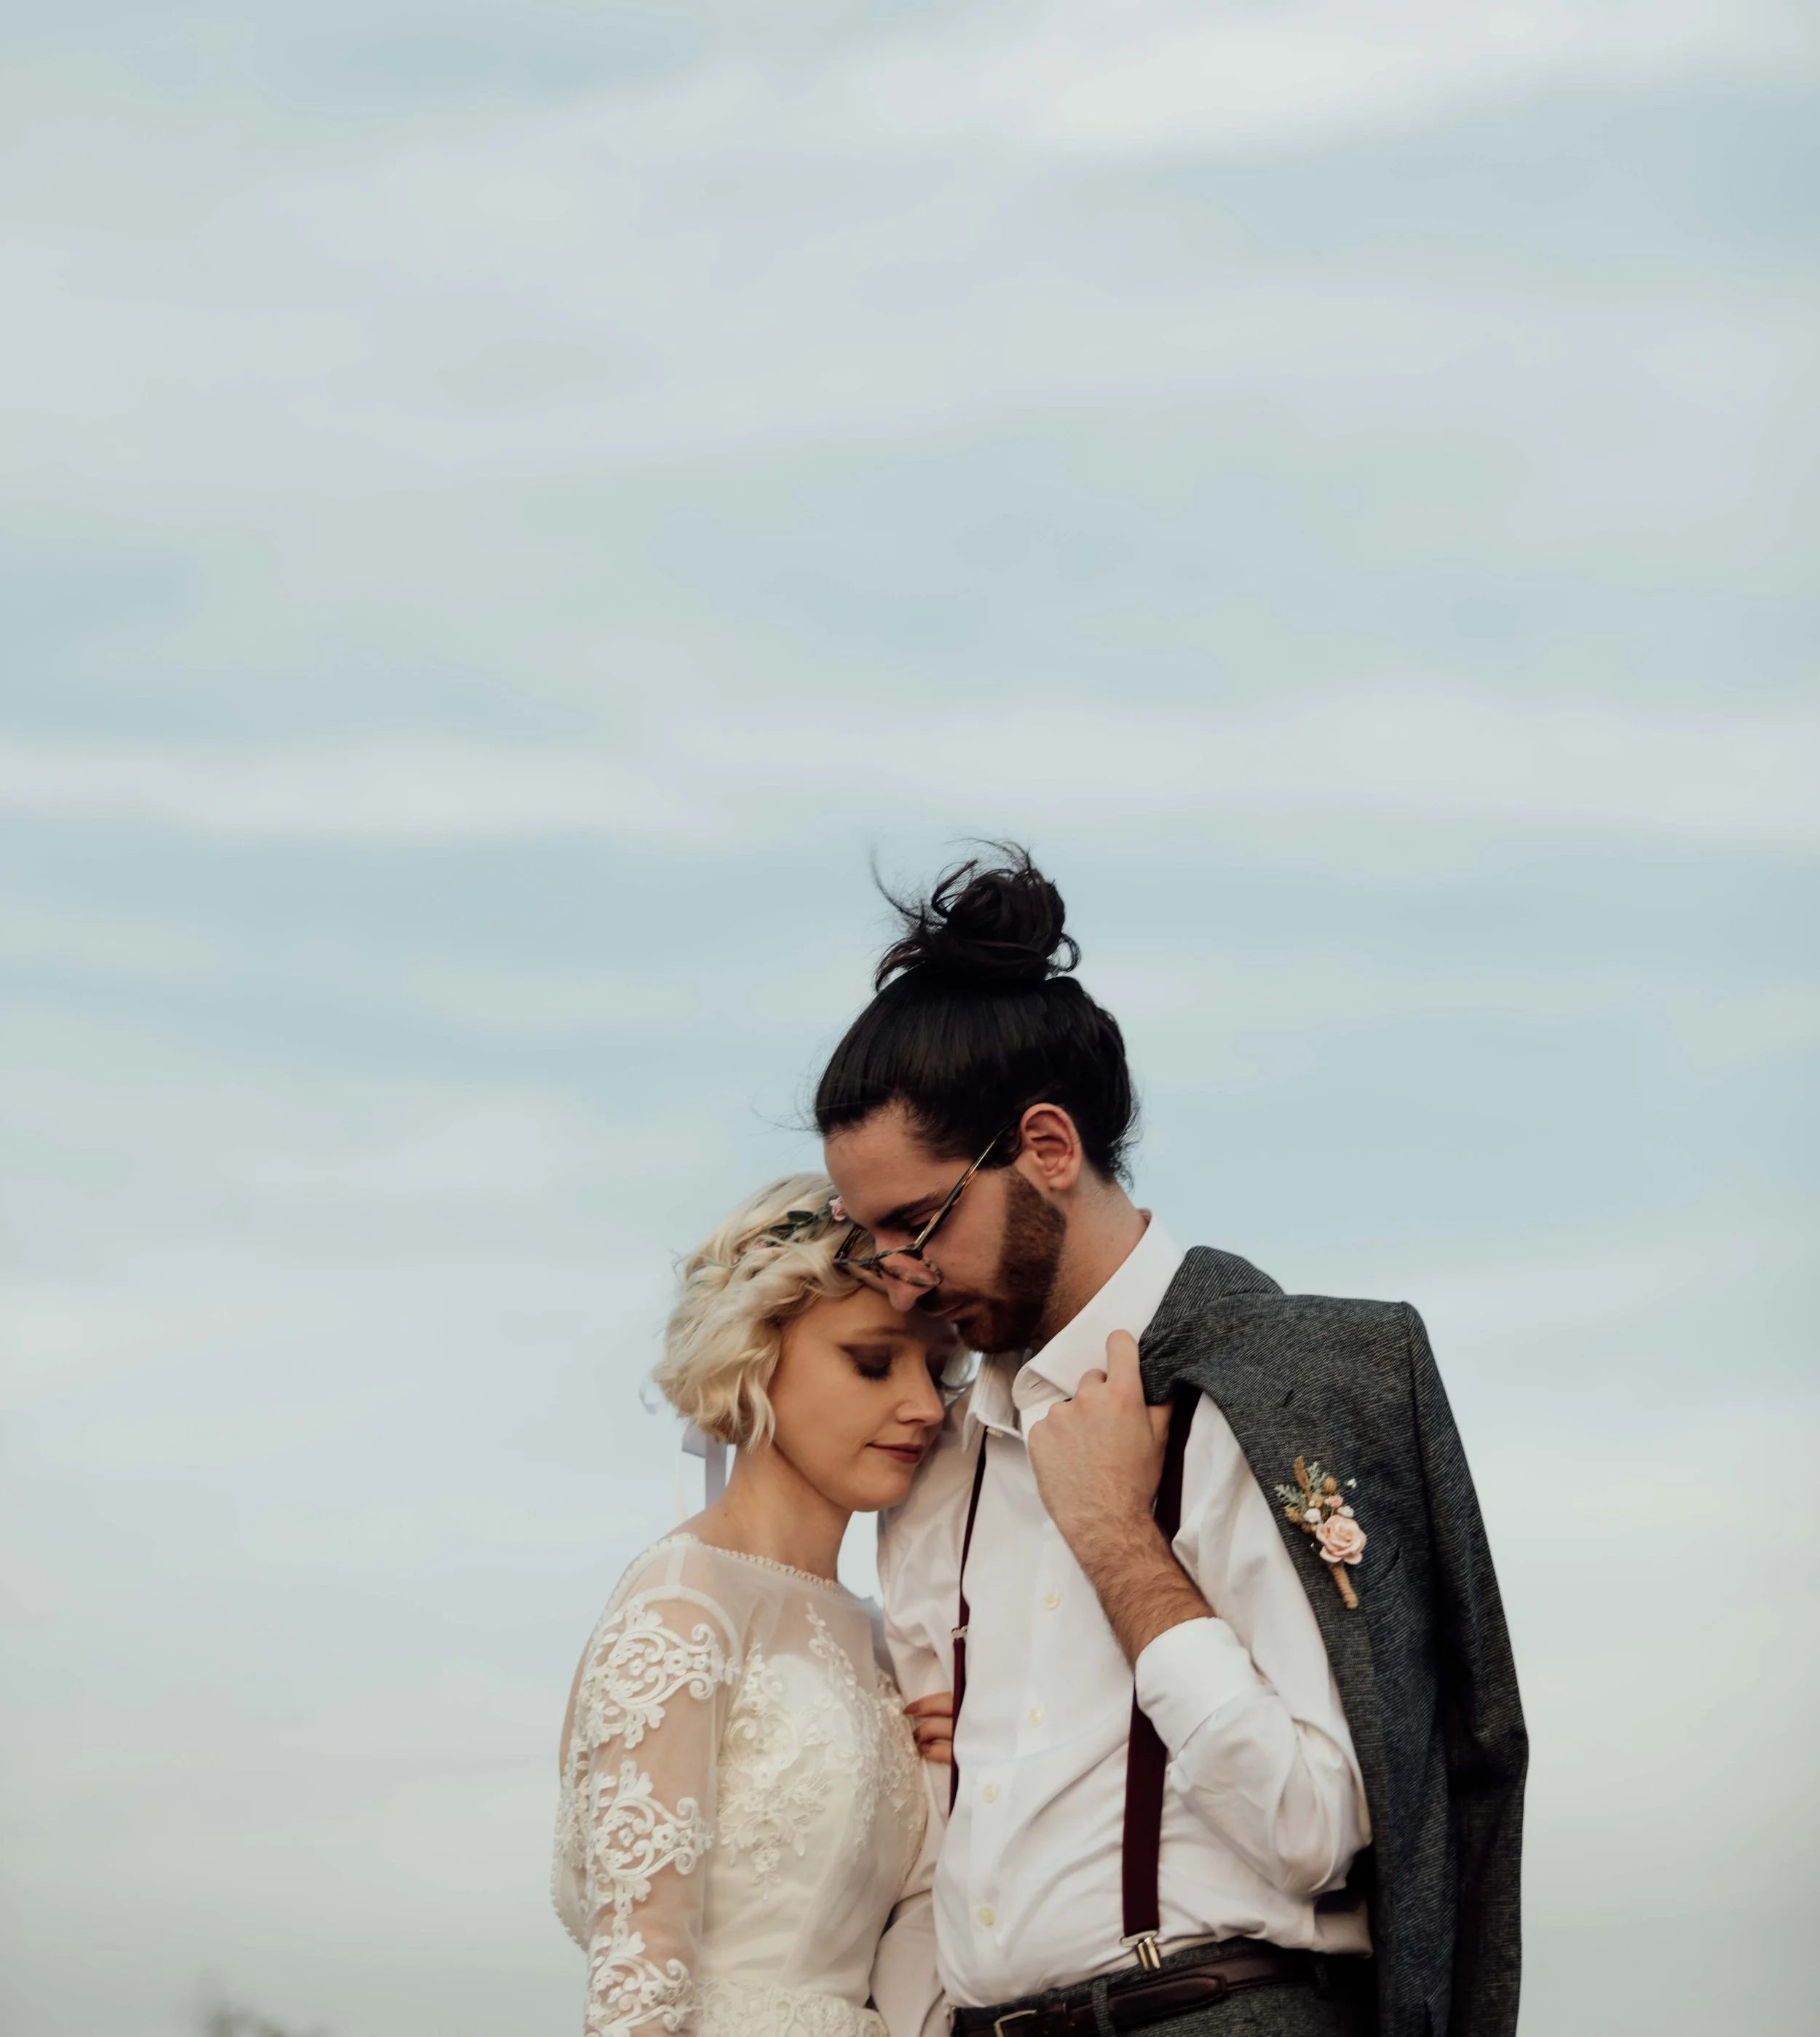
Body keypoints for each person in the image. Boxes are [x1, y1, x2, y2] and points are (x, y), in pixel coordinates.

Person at [820, 851, 1526, 2037]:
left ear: (1049, 1148)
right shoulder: (936, 1460)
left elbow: (1314, 1829)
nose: (903, 1278)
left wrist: (1118, 1541)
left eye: (920, 1223)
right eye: (871, 1240)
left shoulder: (1288, 1382)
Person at [552, 1173, 961, 2037]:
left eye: (939, 1369)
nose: (925, 1407)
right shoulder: (683, 1603)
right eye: (873, 1362)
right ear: (754, 1353)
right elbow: (634, 1996)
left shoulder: (884, 1637)